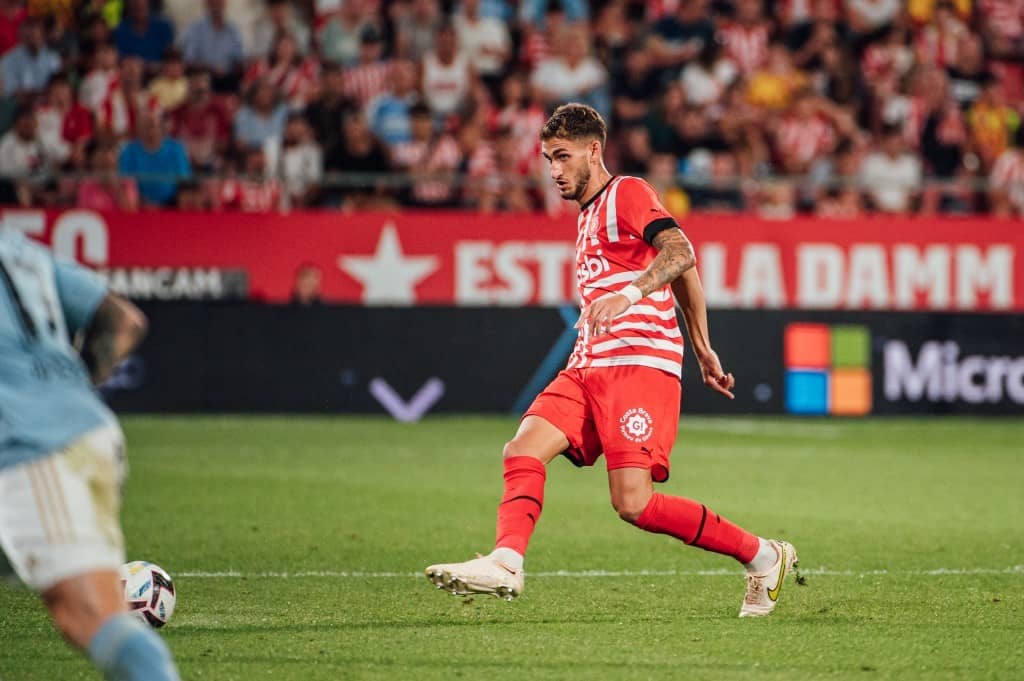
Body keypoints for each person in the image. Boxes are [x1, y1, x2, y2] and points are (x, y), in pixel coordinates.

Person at [425, 103, 800, 618]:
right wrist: (703, 346)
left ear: (593, 150)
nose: (553, 170)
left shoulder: (626, 192)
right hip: (588, 364)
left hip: (638, 365)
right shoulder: (585, 215)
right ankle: (507, 561)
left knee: (634, 504)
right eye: (546, 159)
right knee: (522, 449)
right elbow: (683, 275)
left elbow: (679, 252)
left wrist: (630, 296)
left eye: (562, 156)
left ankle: (763, 555)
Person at [0, 229, 180, 680]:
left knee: (90, 618)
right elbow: (122, 320)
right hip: (81, 430)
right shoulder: (18, 248)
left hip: (31, 447)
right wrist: (67, 392)